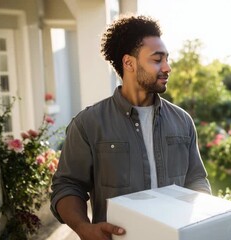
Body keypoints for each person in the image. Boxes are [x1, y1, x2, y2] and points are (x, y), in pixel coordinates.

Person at [50, 15, 211, 239]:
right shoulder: (88, 124)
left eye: (167, 59)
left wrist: (203, 219)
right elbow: (68, 186)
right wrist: (83, 228)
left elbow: (196, 179)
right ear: (129, 63)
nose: (167, 67)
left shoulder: (182, 121)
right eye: (157, 60)